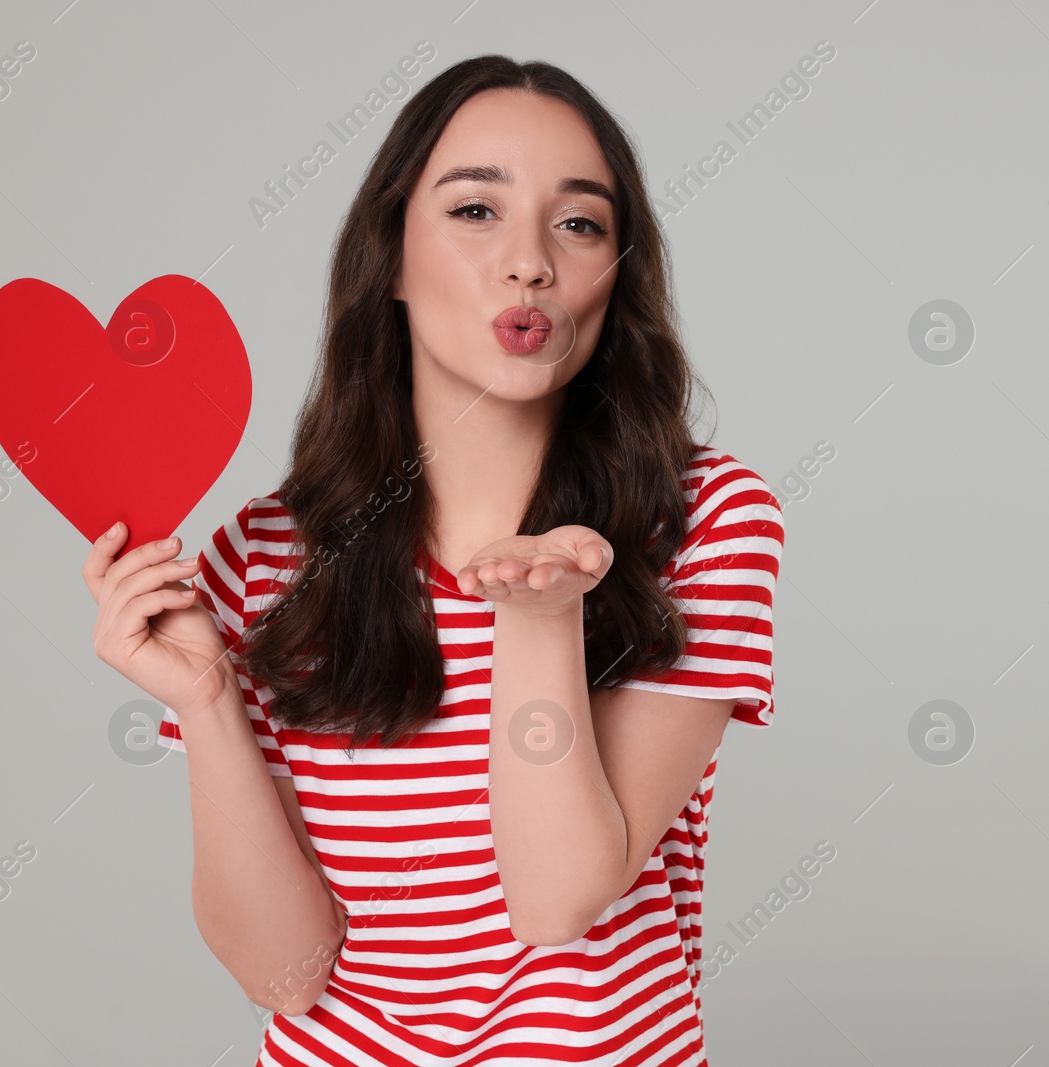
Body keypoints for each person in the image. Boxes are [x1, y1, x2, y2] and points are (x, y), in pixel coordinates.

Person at [83, 54, 784, 1066]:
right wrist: (205, 700)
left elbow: (556, 898)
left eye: (578, 223)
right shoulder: (264, 553)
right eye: (474, 211)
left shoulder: (702, 518)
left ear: (614, 273)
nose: (530, 262)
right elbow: (283, 978)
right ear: (393, 257)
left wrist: (540, 619)